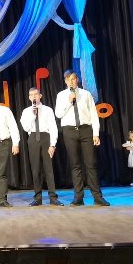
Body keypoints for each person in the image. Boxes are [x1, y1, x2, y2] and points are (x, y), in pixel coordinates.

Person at [54, 70, 110, 206]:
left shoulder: (86, 94)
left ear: (77, 80)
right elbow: (58, 114)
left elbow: (93, 114)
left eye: (73, 79)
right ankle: (78, 197)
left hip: (86, 130)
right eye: (68, 79)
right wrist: (69, 101)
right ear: (65, 81)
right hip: (69, 131)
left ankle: (97, 197)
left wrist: (95, 133)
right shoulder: (61, 95)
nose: (71, 82)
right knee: (75, 165)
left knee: (91, 164)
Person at [20, 87, 63, 206]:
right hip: (33, 138)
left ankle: (53, 197)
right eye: (31, 95)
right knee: (36, 169)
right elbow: (26, 128)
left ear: (40, 96)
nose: (34, 96)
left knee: (49, 169)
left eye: (36, 94)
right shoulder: (26, 111)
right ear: (29, 97)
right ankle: (37, 198)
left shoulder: (48, 110)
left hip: (45, 137)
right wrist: (33, 115)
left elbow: (53, 127)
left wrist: (52, 144)